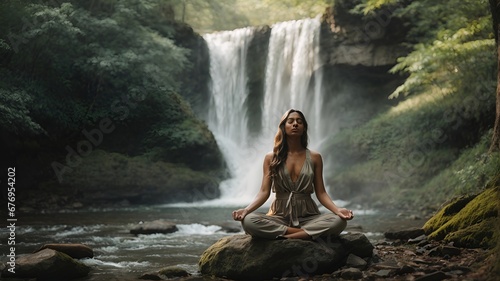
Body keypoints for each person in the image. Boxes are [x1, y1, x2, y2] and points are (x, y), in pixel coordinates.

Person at [232, 109, 353, 240]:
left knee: (339, 221)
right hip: (279, 216)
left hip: (309, 217)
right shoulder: (271, 158)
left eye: (299, 122)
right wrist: (246, 210)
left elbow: (321, 193)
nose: (295, 124)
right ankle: (302, 234)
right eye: (290, 121)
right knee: (249, 221)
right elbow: (263, 192)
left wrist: (337, 210)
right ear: (283, 127)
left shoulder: (315, 157)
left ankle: (285, 236)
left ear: (304, 128)